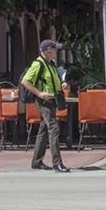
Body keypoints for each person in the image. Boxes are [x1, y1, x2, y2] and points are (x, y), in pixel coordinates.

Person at [22, 39, 69, 172]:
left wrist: (62, 84)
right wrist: (39, 93)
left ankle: (36, 162)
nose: (56, 52)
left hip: (52, 100)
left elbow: (53, 81)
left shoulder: (51, 64)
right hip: (44, 101)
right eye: (54, 49)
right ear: (48, 51)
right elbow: (25, 81)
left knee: (43, 129)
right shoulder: (38, 64)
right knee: (53, 128)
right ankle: (57, 163)